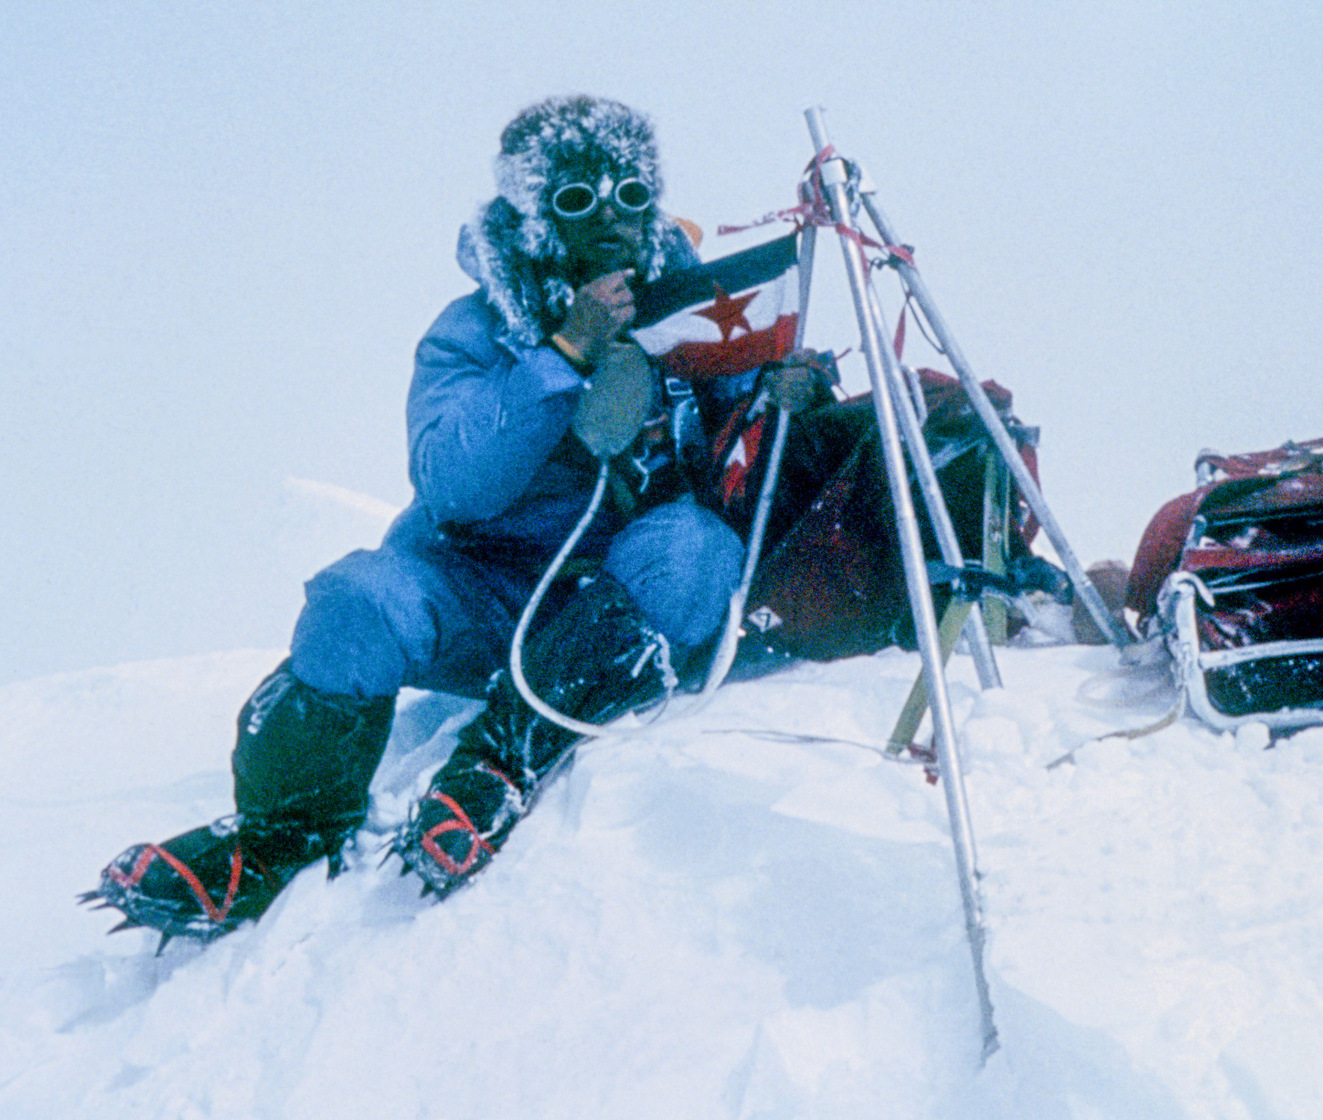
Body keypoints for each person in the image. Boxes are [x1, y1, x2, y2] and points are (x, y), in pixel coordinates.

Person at [85, 95, 830, 941]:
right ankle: (277, 838)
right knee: (354, 601)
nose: (611, 221)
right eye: (579, 200)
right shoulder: (472, 331)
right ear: (536, 213)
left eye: (629, 195)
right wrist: (562, 358)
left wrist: (782, 395)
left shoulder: (693, 313)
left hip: (618, 601)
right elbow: (453, 484)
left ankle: (497, 763)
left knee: (692, 549)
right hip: (485, 594)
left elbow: (743, 443)